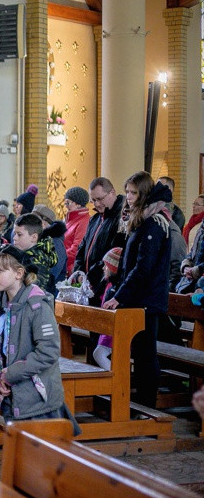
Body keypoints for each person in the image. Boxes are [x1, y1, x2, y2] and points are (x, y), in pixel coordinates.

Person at [0, 245, 78, 432]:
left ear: (19, 273)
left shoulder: (37, 306)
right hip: (10, 396)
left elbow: (48, 352)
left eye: (1, 271)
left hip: (37, 399)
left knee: (41, 457)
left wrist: (10, 375)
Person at [102, 173, 172, 409]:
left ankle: (147, 406)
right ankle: (138, 403)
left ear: (144, 194)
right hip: (138, 298)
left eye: (134, 193)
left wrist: (120, 296)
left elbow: (144, 267)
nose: (129, 197)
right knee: (139, 353)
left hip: (147, 300)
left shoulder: (154, 222)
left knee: (145, 355)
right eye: (128, 192)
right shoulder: (143, 219)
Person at [73, 177, 126, 304]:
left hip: (104, 286)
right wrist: (79, 273)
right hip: (88, 285)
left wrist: (90, 277)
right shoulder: (95, 219)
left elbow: (113, 255)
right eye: (93, 201)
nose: (96, 204)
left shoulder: (121, 219)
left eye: (100, 199)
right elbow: (82, 249)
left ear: (112, 192)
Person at [11, 213, 58, 296]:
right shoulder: (25, 255)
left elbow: (35, 295)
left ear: (34, 237)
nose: (14, 238)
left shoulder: (34, 260)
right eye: (14, 234)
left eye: (19, 234)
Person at [92, 247, 122, 369]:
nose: (104, 268)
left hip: (112, 330)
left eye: (106, 266)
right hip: (107, 328)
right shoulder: (108, 284)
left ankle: (116, 378)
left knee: (99, 353)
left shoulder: (115, 288)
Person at [32, 204, 67, 286]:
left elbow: (50, 275)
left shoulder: (55, 243)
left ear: (43, 223)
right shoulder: (40, 240)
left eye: (33, 222)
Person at [63, 186, 90, 275]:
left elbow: (76, 249)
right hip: (65, 266)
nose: (66, 206)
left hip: (71, 270)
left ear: (78, 204)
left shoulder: (84, 222)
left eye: (68, 203)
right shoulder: (71, 219)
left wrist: (57, 258)